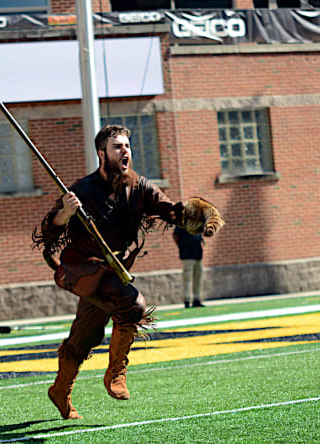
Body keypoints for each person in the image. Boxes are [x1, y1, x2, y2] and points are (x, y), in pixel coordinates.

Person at [34, 124, 222, 420]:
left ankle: (60, 389)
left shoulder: (140, 187)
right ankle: (115, 374)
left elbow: (168, 210)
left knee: (83, 338)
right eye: (117, 146)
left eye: (127, 146)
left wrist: (192, 218)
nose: (125, 151)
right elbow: (49, 233)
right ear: (102, 154)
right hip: (80, 270)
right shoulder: (81, 190)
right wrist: (65, 213)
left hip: (111, 272)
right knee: (134, 305)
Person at [173, 226, 205, 308]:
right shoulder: (182, 222)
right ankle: (187, 300)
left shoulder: (197, 221)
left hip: (198, 254)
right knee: (187, 279)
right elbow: (175, 235)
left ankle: (196, 299)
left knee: (197, 278)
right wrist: (182, 246)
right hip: (187, 255)